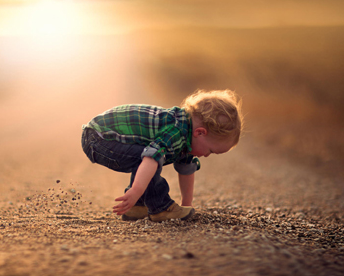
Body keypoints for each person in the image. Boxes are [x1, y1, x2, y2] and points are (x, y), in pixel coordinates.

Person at [81, 89, 243, 222]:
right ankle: (161, 208)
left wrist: (186, 205)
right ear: (200, 133)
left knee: (147, 159)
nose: (207, 156)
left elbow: (186, 169)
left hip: (101, 137)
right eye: (211, 151)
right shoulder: (176, 132)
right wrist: (136, 189)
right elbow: (150, 158)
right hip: (98, 138)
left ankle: (138, 207)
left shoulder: (188, 137)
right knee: (149, 160)